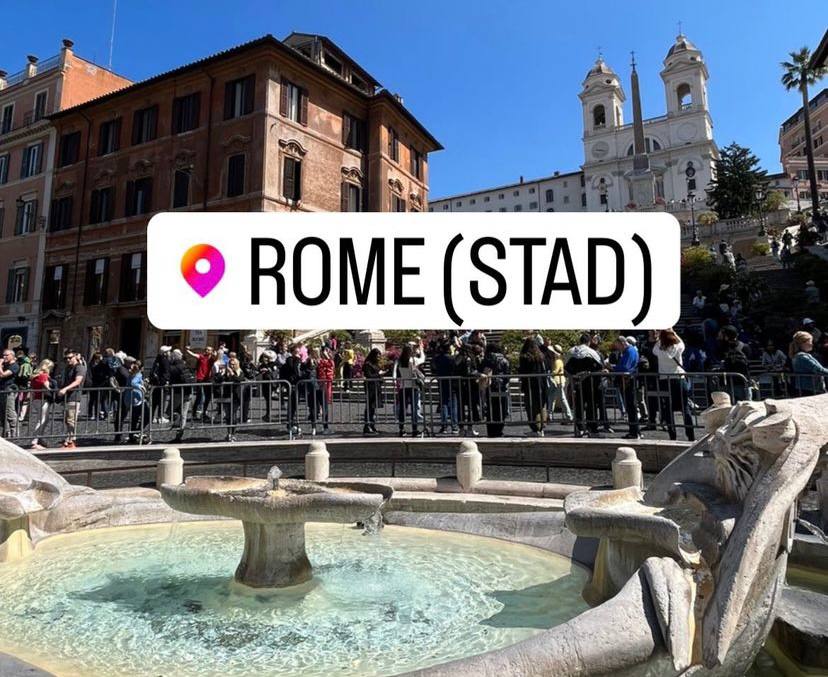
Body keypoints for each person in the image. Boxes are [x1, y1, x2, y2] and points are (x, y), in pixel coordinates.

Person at [652, 329, 695, 442]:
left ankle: (672, 435)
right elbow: (681, 342)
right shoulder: (677, 348)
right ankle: (690, 435)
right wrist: (673, 331)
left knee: (668, 410)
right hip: (678, 379)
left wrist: (659, 335)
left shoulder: (659, 351)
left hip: (665, 380)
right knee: (685, 408)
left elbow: (654, 347)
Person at [565, 334, 604, 437]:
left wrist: (574, 376)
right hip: (590, 383)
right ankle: (592, 429)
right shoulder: (592, 352)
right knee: (591, 406)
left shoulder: (572, 351)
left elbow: (566, 368)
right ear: (589, 342)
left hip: (577, 382)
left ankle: (580, 428)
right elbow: (599, 367)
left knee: (578, 406)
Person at [518, 338, 548, 436]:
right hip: (541, 384)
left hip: (530, 385)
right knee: (541, 406)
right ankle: (541, 428)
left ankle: (535, 429)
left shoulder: (525, 357)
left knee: (531, 407)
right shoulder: (541, 356)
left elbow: (522, 371)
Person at [612, 336, 640, 439]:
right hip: (627, 380)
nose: (618, 348)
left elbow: (625, 367)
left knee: (631, 407)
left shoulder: (629, 352)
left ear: (622, 343)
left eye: (618, 346)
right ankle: (634, 431)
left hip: (628, 380)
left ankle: (634, 431)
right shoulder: (629, 351)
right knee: (630, 407)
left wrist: (613, 367)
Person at [480, 342, 511, 437]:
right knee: (501, 408)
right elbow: (507, 374)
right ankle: (499, 429)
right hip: (501, 386)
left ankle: (491, 430)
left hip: (490, 385)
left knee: (490, 409)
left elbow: (482, 369)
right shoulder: (505, 360)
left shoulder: (487, 358)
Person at [393, 344, 424, 437]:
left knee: (403, 409)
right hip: (413, 386)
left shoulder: (399, 361)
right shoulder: (413, 360)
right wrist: (421, 349)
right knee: (414, 409)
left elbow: (394, 372)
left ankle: (401, 429)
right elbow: (422, 359)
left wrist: (395, 381)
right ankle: (415, 429)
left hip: (403, 386)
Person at [58, 350, 86, 449]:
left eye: (70, 358)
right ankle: (68, 439)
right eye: (66, 358)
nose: (68, 360)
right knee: (67, 420)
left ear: (75, 357)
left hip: (74, 396)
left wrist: (65, 389)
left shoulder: (80, 368)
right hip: (67, 397)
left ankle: (71, 440)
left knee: (71, 420)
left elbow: (78, 381)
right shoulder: (68, 368)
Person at [215, 356, 245, 442]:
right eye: (230, 364)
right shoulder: (225, 372)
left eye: (234, 364)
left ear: (237, 364)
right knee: (228, 416)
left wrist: (232, 373)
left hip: (235, 397)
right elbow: (217, 380)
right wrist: (221, 373)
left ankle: (233, 433)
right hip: (226, 396)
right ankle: (229, 433)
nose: (232, 366)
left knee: (234, 416)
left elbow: (239, 379)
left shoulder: (240, 372)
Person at [169, 349, 196, 442]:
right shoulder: (186, 366)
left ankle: (177, 421)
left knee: (173, 411)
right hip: (187, 392)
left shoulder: (173, 367)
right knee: (184, 414)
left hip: (177, 392)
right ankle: (179, 434)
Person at [789, 331, 828, 396]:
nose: (812, 344)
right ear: (802, 343)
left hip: (808, 388)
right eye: (810, 342)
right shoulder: (802, 357)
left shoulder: (800, 356)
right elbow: (819, 370)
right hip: (810, 390)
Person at [432, 341, 459, 434]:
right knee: (453, 404)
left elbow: (433, 369)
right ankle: (454, 426)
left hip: (441, 381)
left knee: (444, 403)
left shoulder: (437, 358)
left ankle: (444, 426)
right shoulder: (452, 358)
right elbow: (456, 368)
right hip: (452, 382)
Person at [28, 359, 55, 450]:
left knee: (44, 419)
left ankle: (39, 438)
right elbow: (47, 387)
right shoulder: (43, 376)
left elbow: (32, 388)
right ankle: (35, 441)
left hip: (36, 399)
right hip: (42, 399)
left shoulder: (35, 376)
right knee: (42, 420)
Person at [186, 345, 215, 422]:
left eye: (209, 350)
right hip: (200, 378)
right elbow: (193, 355)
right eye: (206, 349)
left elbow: (218, 358)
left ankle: (204, 412)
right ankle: (194, 413)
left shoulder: (212, 359)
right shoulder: (202, 357)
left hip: (208, 379)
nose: (207, 351)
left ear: (211, 351)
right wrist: (188, 350)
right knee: (199, 396)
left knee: (208, 396)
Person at [124, 360, 149, 444]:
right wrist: (141, 386)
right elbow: (133, 383)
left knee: (134, 418)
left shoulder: (132, 373)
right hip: (137, 399)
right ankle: (137, 432)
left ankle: (133, 434)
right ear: (142, 368)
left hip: (132, 399)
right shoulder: (138, 374)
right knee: (147, 415)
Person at [546, 344, 573, 422]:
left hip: (558, 382)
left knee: (562, 399)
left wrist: (548, 373)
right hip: (556, 381)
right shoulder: (556, 360)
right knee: (552, 399)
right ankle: (549, 415)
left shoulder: (558, 361)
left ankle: (569, 416)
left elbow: (555, 371)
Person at [361, 348, 384, 435]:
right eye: (377, 356)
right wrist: (379, 375)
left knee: (373, 407)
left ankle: (372, 424)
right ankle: (367, 425)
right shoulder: (367, 364)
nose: (378, 358)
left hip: (376, 387)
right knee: (369, 407)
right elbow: (369, 375)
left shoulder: (375, 364)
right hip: (370, 387)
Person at [149, 346, 172, 424]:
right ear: (165, 353)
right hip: (162, 384)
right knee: (162, 401)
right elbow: (166, 372)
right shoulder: (165, 361)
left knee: (155, 401)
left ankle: (151, 417)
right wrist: (166, 382)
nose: (170, 353)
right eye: (169, 351)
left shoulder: (157, 359)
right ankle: (160, 417)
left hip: (156, 384)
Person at [0, 349, 20, 438]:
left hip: (9, 390)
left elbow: (3, 375)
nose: (4, 357)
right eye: (3, 355)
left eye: (6, 355)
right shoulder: (5, 365)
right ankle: (6, 432)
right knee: (3, 412)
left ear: (12, 355)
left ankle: (14, 432)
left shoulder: (14, 366)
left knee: (10, 411)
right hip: (3, 390)